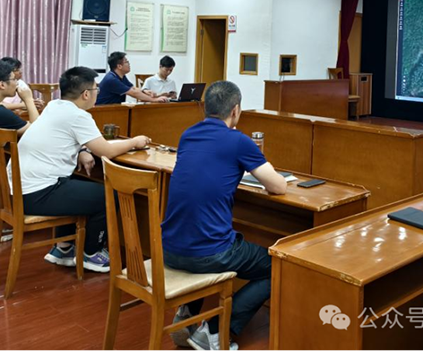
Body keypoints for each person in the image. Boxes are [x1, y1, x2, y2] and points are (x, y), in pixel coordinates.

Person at [161, 80, 287, 350]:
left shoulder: (188, 134)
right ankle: (216, 332)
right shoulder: (239, 141)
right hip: (209, 254)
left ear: (205, 108)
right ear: (235, 110)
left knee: (205, 236)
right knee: (277, 267)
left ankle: (187, 316)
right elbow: (278, 186)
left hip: (168, 247)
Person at [17, 66, 152, 273]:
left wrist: (81, 150)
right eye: (96, 89)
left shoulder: (54, 106)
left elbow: (64, 136)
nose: (98, 93)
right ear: (86, 94)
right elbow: (106, 150)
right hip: (37, 193)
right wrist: (135, 141)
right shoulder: (78, 116)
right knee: (110, 195)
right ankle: (92, 253)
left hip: (19, 191)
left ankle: (63, 248)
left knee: (75, 184)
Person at [96, 52, 169, 105]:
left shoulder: (121, 76)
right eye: (126, 62)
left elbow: (133, 88)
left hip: (113, 109)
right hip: (103, 110)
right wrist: (154, 100)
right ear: (119, 66)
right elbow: (133, 93)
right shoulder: (111, 79)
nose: (129, 63)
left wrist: (145, 91)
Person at [0, 59, 39, 136]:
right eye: (14, 79)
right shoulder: (3, 113)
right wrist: (28, 100)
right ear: (2, 85)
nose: (17, 83)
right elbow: (37, 131)